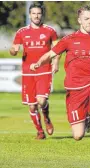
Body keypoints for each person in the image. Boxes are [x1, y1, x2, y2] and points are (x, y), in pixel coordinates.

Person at [30, 5, 90, 166]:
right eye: (86, 19)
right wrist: (39, 63)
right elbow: (51, 54)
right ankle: (86, 116)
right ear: (79, 20)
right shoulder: (69, 39)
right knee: (78, 135)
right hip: (75, 88)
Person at [9, 3, 60, 139]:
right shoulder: (21, 32)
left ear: (42, 15)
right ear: (30, 15)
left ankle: (47, 118)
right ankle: (40, 132)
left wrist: (55, 62)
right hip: (27, 72)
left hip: (44, 69)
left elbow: (57, 50)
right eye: (34, 13)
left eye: (39, 13)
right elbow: (14, 49)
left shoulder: (50, 31)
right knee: (32, 106)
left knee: (41, 101)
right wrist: (13, 50)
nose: (36, 16)